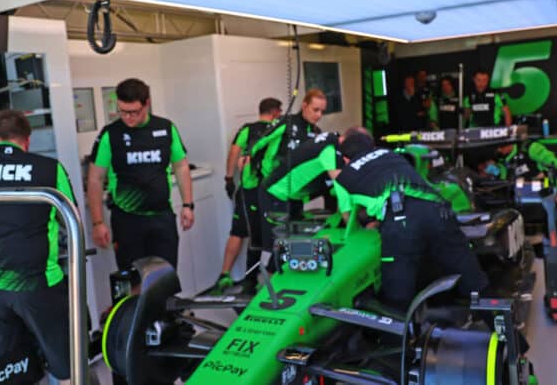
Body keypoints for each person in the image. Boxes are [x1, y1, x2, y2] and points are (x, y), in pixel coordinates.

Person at [0, 110, 77, 385]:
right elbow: (69, 218)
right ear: (27, 140)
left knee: (2, 372)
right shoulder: (49, 168)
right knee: (67, 367)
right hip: (41, 284)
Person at [331, 128, 489, 310]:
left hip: (402, 223)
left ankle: (400, 334)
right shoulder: (391, 154)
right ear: (371, 146)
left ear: (345, 159)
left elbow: (349, 215)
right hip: (438, 211)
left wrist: (370, 224)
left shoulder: (343, 177)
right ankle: (502, 327)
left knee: (397, 298)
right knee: (473, 281)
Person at [87, 78, 194, 271]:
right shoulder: (110, 134)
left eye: (133, 112)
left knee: (166, 279)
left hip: (162, 217)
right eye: (122, 111)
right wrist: (97, 222)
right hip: (127, 220)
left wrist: (188, 204)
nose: (127, 117)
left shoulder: (165, 128)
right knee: (134, 283)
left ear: (147, 104)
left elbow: (181, 166)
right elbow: (95, 178)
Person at [209, 97, 282, 294]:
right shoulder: (277, 130)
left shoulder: (246, 129)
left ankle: (225, 275)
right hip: (265, 191)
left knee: (238, 232)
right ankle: (254, 281)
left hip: (246, 190)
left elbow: (233, 152)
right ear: (275, 112)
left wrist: (229, 179)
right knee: (259, 236)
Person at [248, 89, 326, 252]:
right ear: (304, 106)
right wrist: (248, 158)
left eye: (322, 111)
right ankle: (269, 276)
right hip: (274, 191)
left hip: (295, 194)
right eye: (315, 110)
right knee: (277, 244)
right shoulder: (286, 122)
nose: (319, 115)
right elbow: (259, 142)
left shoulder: (317, 133)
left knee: (294, 242)